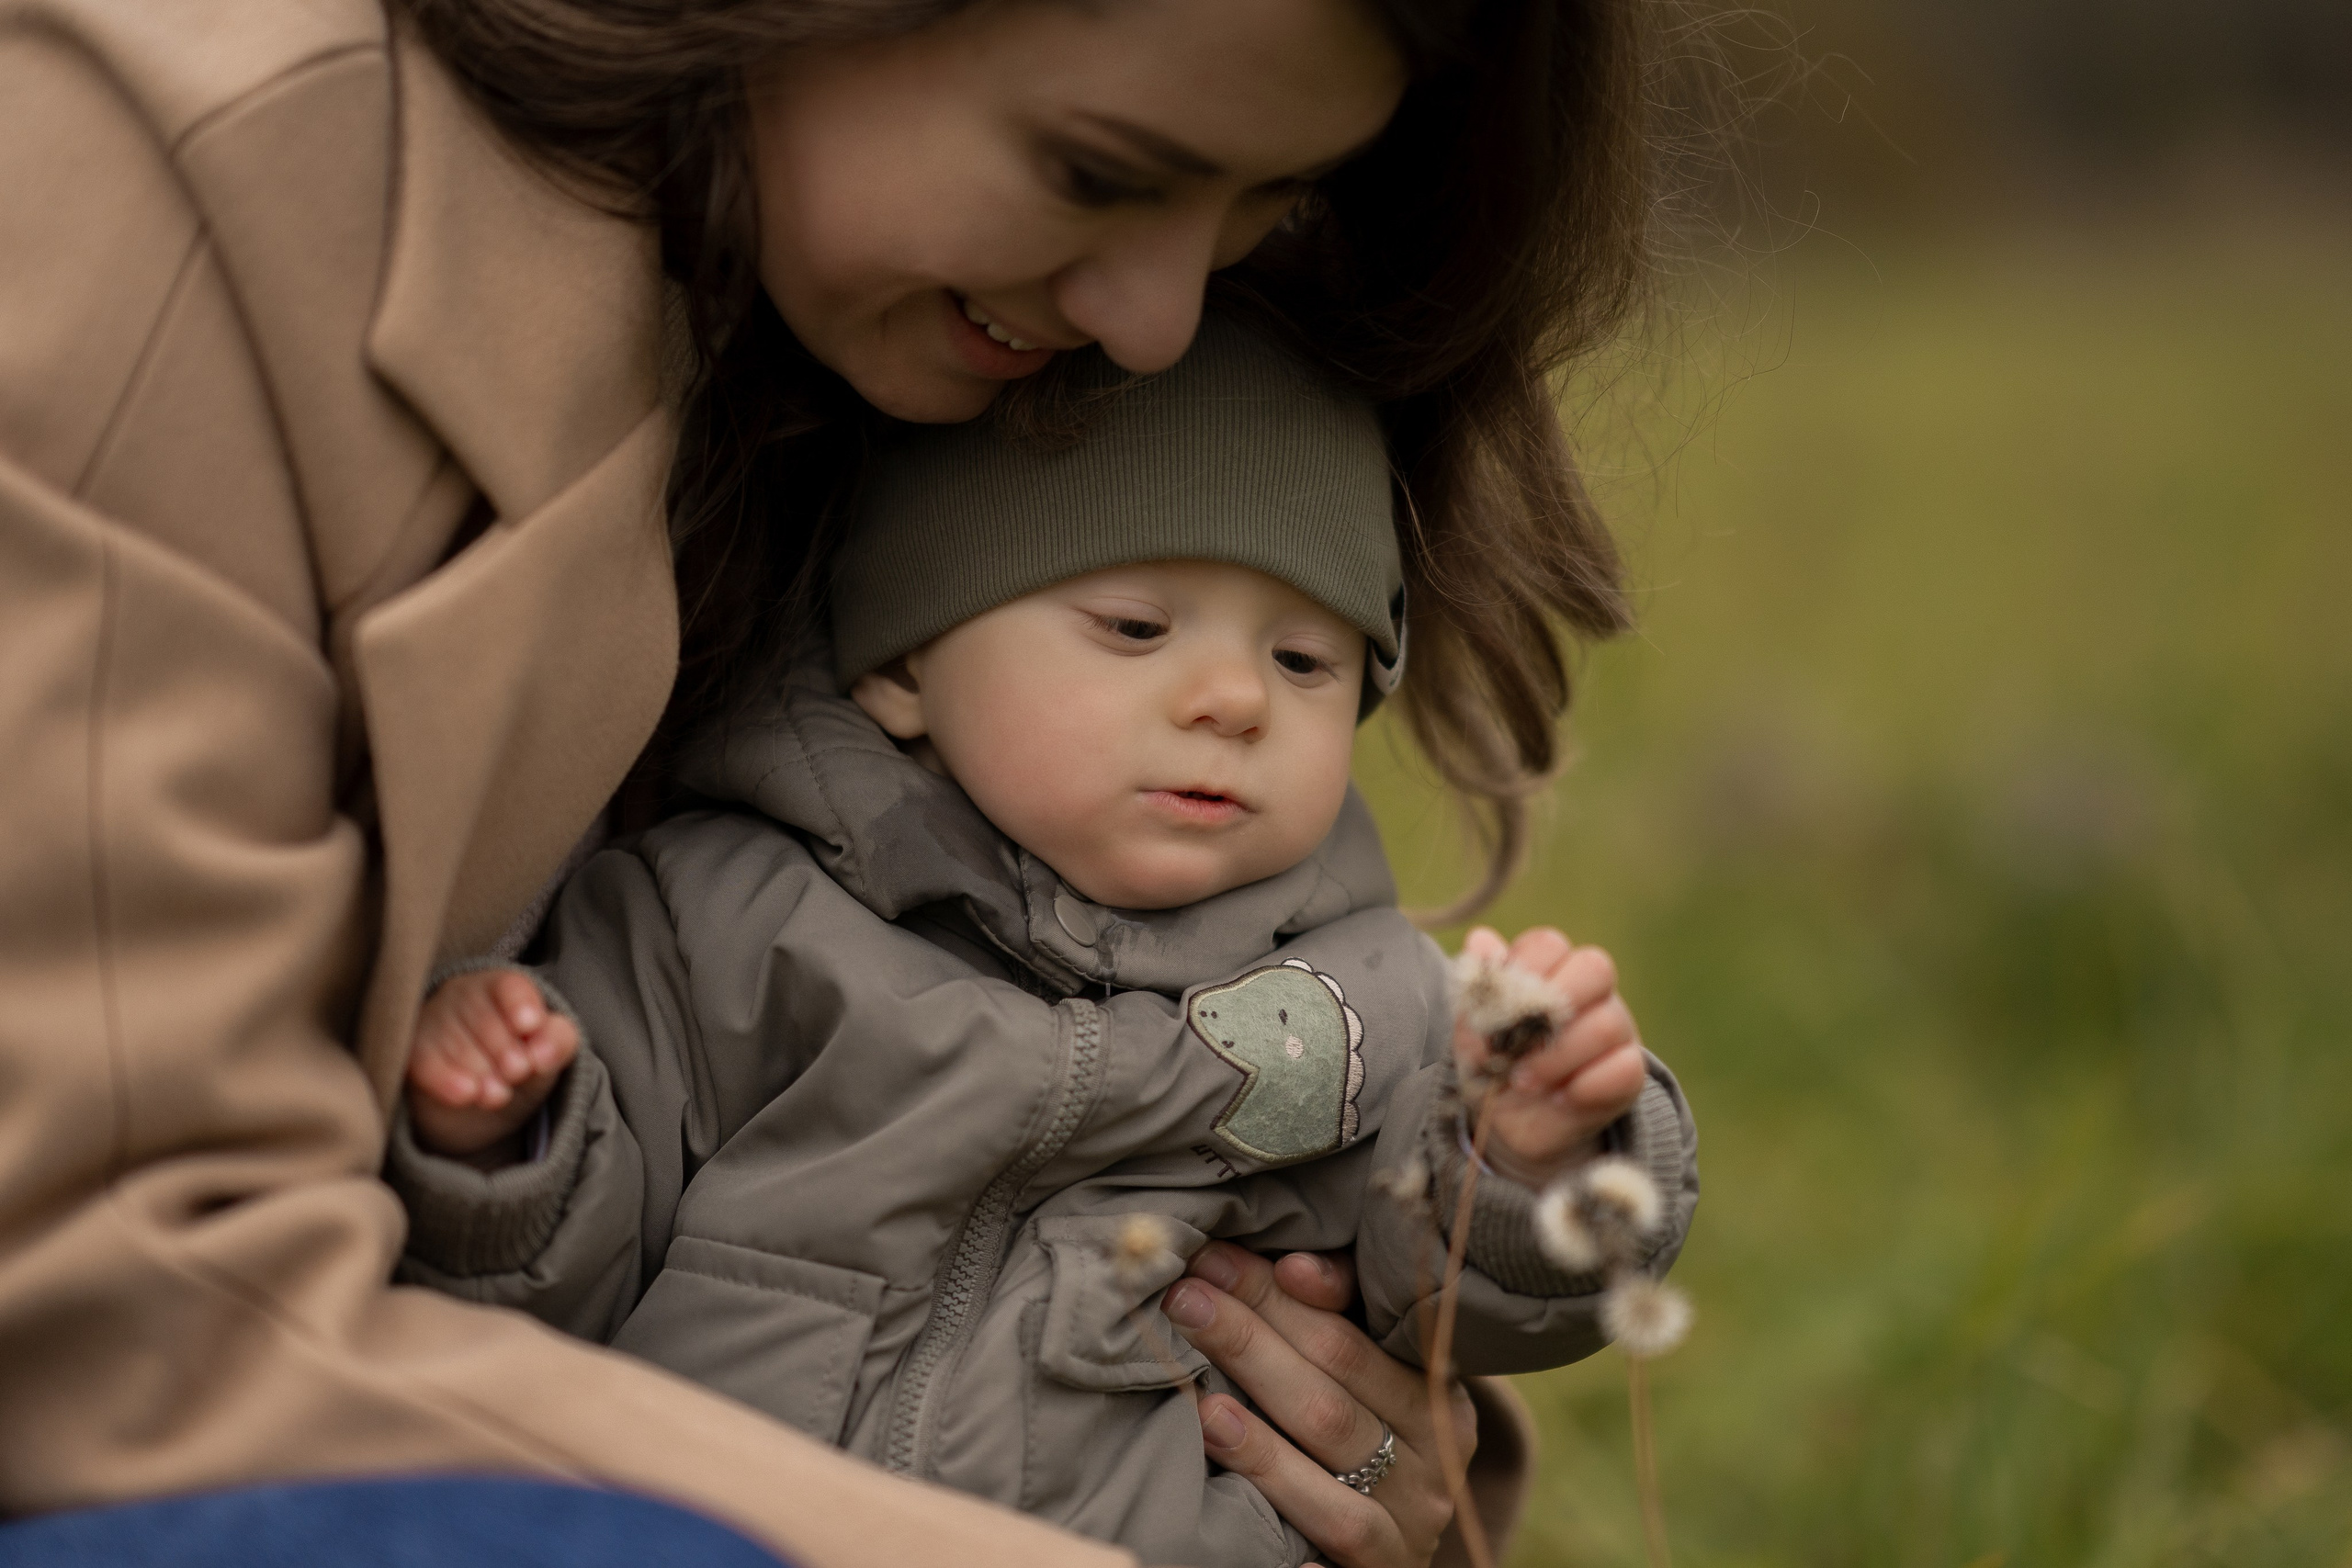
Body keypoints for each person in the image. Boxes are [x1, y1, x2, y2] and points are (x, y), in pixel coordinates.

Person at [0, 0, 1674, 1561]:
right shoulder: (180, 173)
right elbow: (123, 1321)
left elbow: (1401, 1278)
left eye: (1268, 202)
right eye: (1100, 170)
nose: (1163, 323)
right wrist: (509, 1142)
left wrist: (1397, 1406)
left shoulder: (1323, 961)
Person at [391, 314, 1699, 1567]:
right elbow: (560, 1292)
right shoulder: (719, 918)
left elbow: (1448, 1305)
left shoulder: (1369, 1009)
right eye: (1136, 627)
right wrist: (510, 1144)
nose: (1234, 697)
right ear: (902, 664)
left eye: (1305, 658)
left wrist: (1533, 1158)